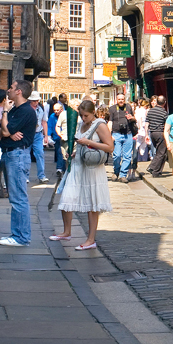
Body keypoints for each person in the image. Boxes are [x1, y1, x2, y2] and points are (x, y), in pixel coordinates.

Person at [51, 99, 114, 251]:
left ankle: (91, 239)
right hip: (78, 164)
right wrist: (74, 152)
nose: (83, 118)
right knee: (67, 196)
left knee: (93, 204)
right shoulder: (80, 124)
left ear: (93, 113)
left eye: (86, 116)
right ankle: (67, 232)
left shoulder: (100, 125)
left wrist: (88, 143)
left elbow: (110, 147)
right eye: (81, 115)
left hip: (92, 169)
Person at [0, 80, 37, 246]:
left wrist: (5, 112)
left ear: (19, 92)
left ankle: (21, 237)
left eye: (12, 88)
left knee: (18, 198)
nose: (9, 90)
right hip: (12, 155)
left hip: (17, 155)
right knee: (15, 197)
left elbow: (5, 130)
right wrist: (6, 132)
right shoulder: (17, 109)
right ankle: (18, 234)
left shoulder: (25, 111)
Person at [108, 92, 135, 183]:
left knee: (127, 156)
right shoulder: (112, 109)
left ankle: (123, 175)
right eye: (119, 99)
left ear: (124, 99)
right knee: (117, 155)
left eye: (122, 99)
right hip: (116, 134)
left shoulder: (128, 107)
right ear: (117, 100)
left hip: (128, 134)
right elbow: (110, 122)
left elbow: (134, 119)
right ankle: (116, 171)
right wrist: (109, 134)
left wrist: (132, 118)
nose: (121, 101)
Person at [145, 95, 169, 176]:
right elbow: (167, 124)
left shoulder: (150, 111)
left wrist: (146, 134)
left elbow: (146, 123)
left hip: (152, 133)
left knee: (161, 153)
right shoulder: (164, 112)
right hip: (160, 133)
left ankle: (157, 171)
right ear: (164, 103)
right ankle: (152, 167)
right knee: (161, 152)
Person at [28, 91, 49, 185]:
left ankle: (42, 176)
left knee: (40, 154)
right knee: (26, 156)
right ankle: (25, 176)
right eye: (34, 101)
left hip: (38, 134)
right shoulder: (27, 109)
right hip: (28, 134)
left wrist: (46, 136)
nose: (36, 102)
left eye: (37, 100)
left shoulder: (41, 109)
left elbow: (44, 122)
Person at [49, 102, 68, 180]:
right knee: (59, 152)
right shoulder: (52, 116)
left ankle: (61, 169)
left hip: (64, 137)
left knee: (63, 153)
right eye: (54, 110)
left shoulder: (65, 115)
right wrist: (49, 136)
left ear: (61, 109)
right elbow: (50, 126)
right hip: (57, 137)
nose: (56, 112)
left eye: (57, 110)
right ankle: (60, 169)